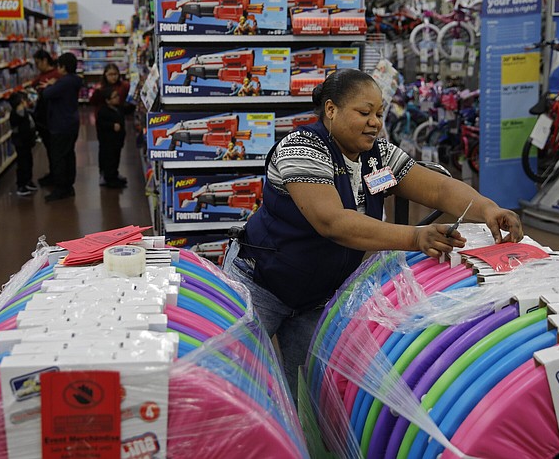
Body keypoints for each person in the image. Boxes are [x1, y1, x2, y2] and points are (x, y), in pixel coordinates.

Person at [221, 69, 523, 399]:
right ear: (331, 110)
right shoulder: (302, 149)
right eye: (364, 113)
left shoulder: (378, 156)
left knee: (306, 396)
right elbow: (333, 223)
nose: (375, 122)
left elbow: (439, 189)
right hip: (260, 283)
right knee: (237, 384)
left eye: (378, 113)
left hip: (315, 297)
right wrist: (414, 237)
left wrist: (488, 208)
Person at [40, 53, 82, 202]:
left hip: (61, 125)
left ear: (63, 67)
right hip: (71, 122)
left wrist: (51, 85)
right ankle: (68, 186)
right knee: (68, 154)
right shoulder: (74, 80)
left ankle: (60, 188)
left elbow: (47, 94)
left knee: (58, 157)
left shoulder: (64, 82)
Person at [33, 50, 60, 187]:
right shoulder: (42, 76)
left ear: (44, 60)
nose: (37, 66)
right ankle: (53, 173)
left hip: (52, 118)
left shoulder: (55, 76)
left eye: (38, 63)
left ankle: (57, 175)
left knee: (54, 148)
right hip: (43, 119)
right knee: (50, 149)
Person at [95, 88, 127, 188]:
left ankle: (114, 175)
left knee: (116, 158)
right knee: (109, 160)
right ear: (107, 100)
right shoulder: (103, 111)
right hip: (108, 141)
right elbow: (100, 124)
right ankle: (110, 179)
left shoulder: (119, 109)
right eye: (114, 97)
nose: (117, 98)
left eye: (118, 96)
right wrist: (111, 125)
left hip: (118, 140)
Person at [8, 92, 37, 196]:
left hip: (27, 142)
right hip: (21, 142)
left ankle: (28, 181)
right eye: (24, 101)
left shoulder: (24, 112)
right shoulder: (17, 114)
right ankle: (21, 185)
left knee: (28, 162)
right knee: (22, 163)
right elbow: (20, 126)